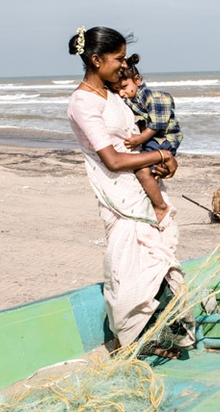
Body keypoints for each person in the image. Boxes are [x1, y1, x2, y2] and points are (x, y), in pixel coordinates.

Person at [67, 26, 193, 358]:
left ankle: (161, 333)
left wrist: (166, 161)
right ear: (96, 60)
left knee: (158, 262)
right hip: (119, 196)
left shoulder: (113, 95)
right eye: (118, 59)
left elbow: (139, 136)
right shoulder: (82, 102)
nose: (123, 66)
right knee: (130, 267)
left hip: (144, 186)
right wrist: (162, 155)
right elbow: (111, 158)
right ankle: (135, 339)